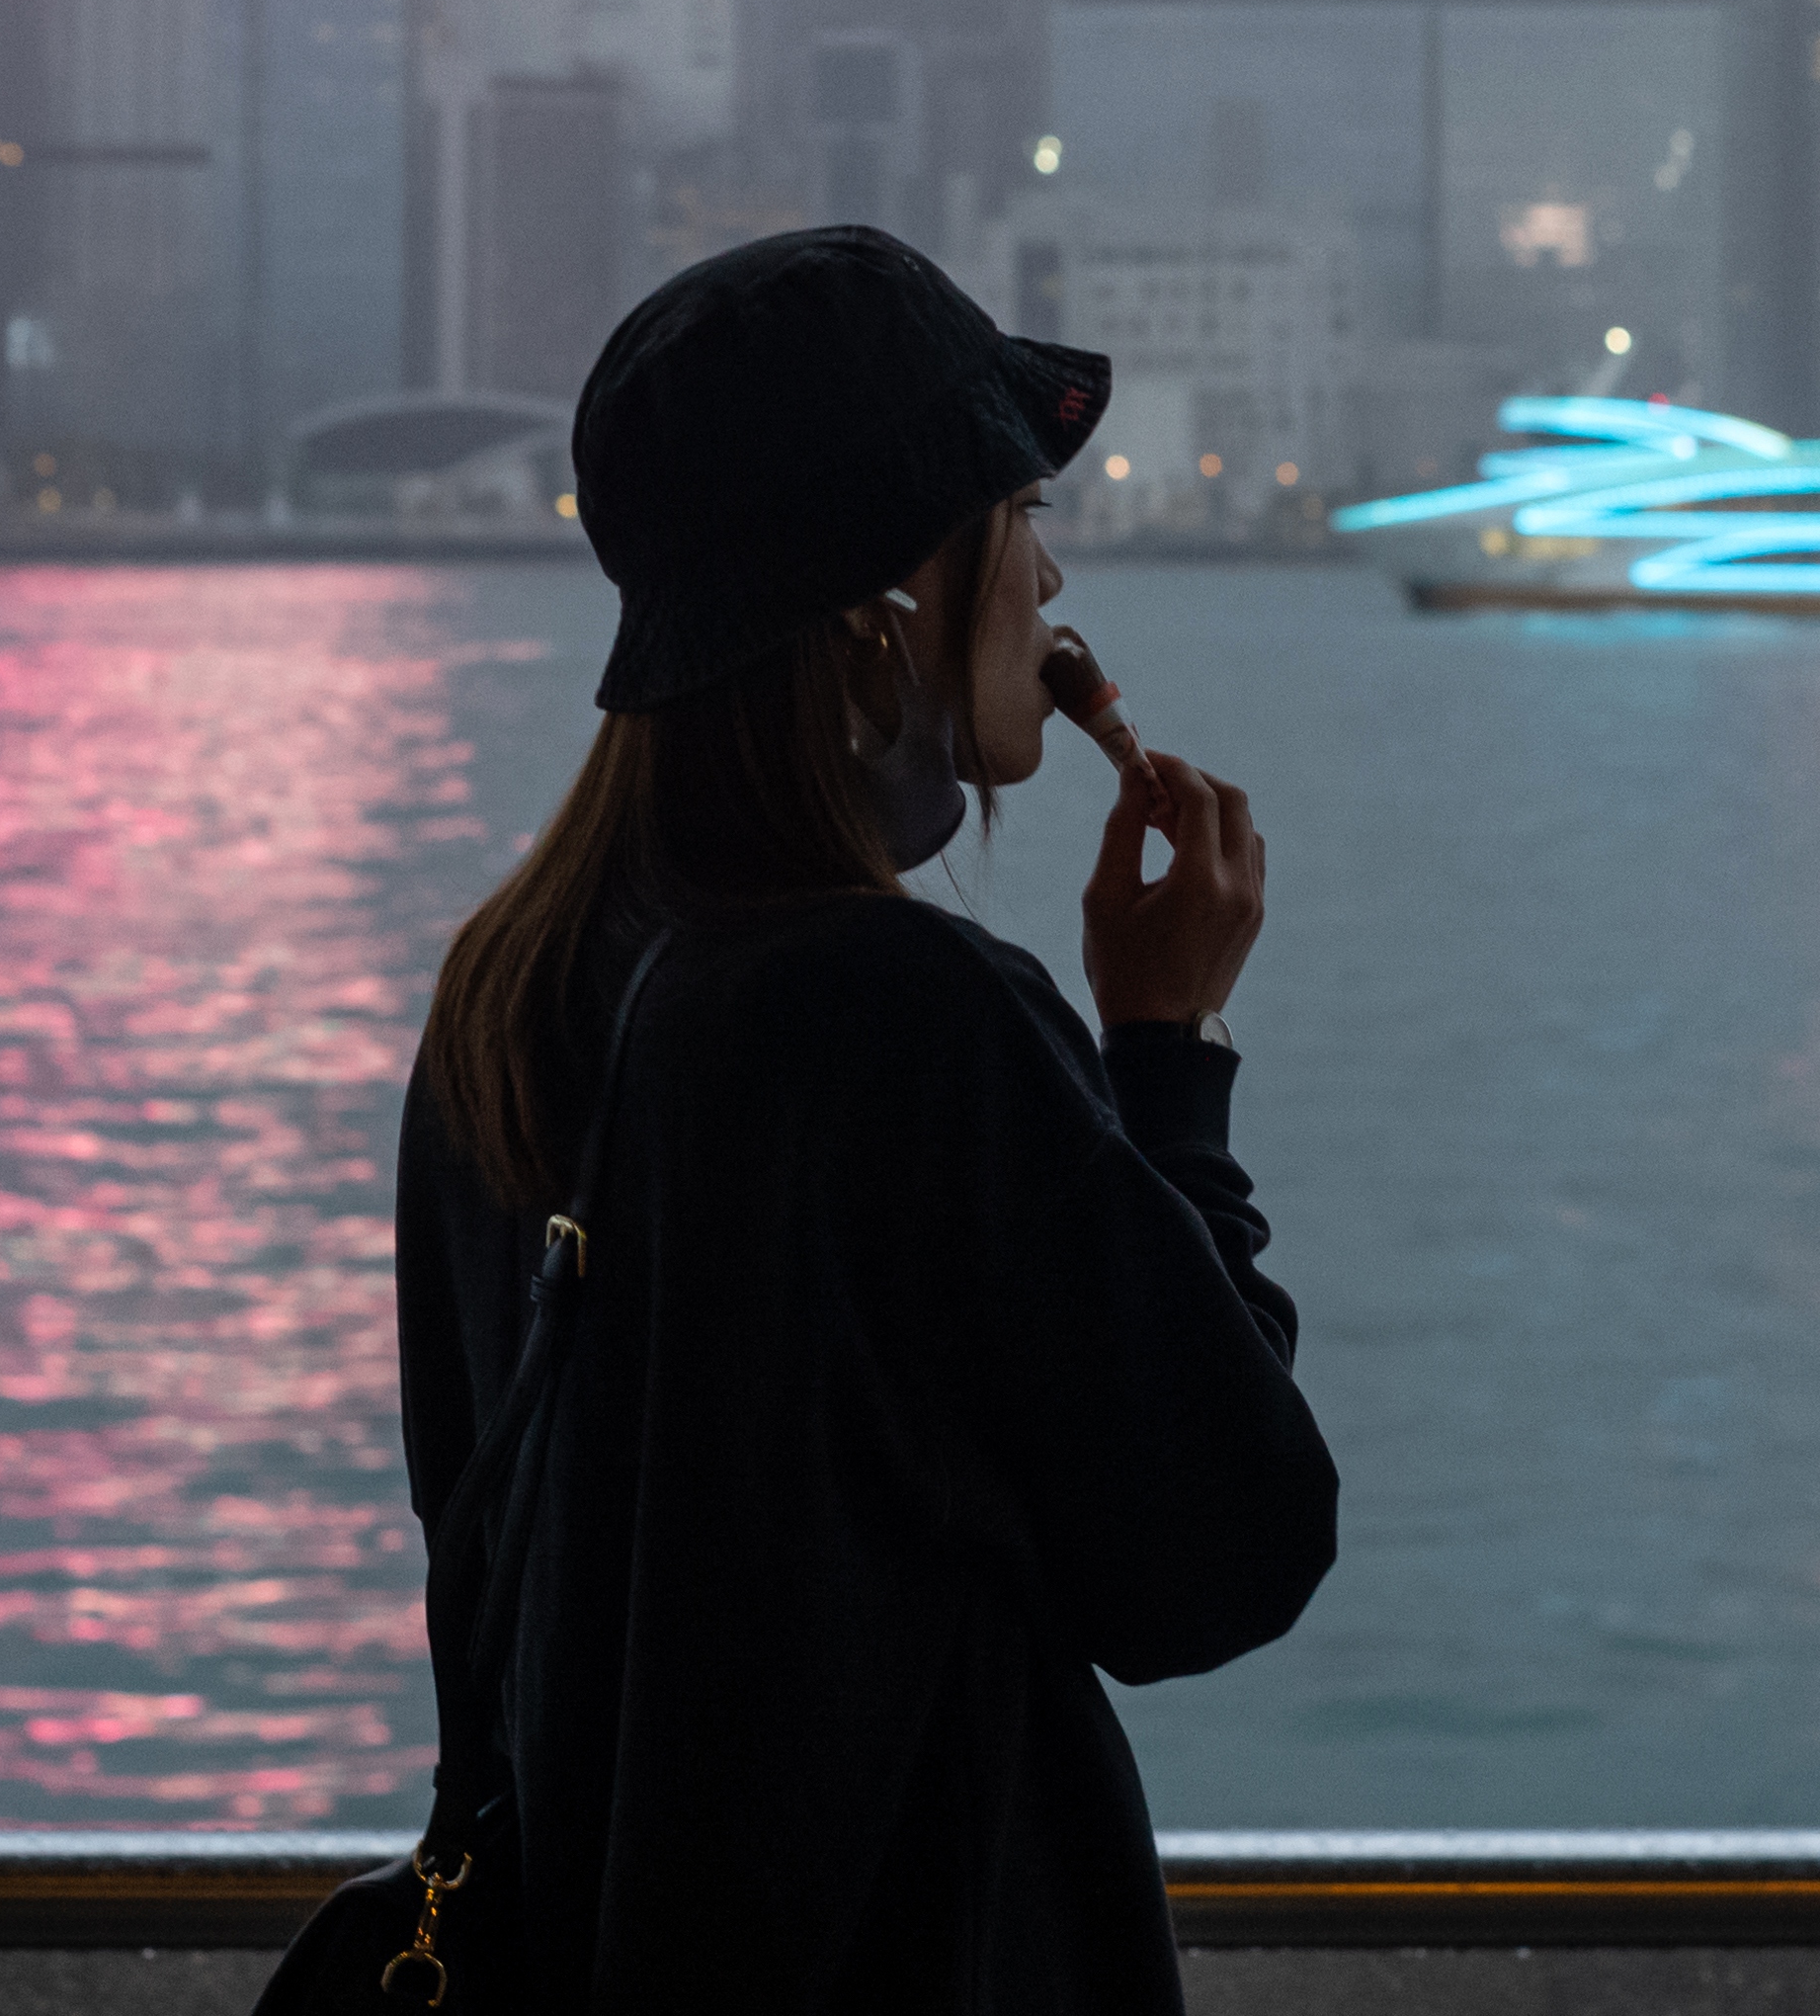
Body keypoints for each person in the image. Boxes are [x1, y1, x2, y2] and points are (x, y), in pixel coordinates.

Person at [386, 225, 1340, 2011]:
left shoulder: (505, 996)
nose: (1051, 581)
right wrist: (1173, 1051)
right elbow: (1222, 1552)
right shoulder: (910, 1019)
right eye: (1014, 516)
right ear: (882, 612)